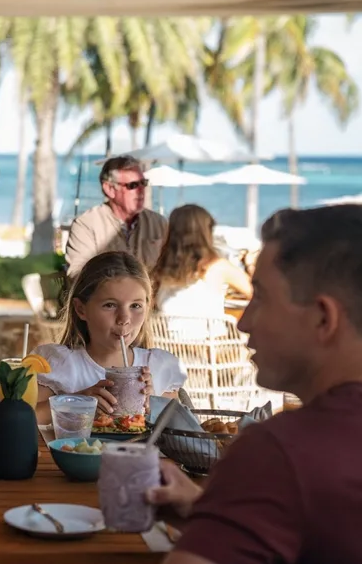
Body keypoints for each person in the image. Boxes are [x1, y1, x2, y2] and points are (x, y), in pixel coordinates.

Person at [148, 204, 362, 564]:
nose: (245, 322)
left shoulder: (276, 454)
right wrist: (217, 513)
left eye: (261, 297)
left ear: (322, 317)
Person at [32, 251, 187, 425]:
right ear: (81, 309)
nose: (124, 319)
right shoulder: (61, 365)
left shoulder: (157, 367)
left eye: (135, 305)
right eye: (110, 305)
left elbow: (177, 432)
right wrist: (77, 401)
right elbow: (24, 420)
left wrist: (153, 405)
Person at [65, 156, 168, 282]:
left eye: (143, 183)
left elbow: (172, 266)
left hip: (152, 300)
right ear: (110, 189)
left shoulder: (158, 223)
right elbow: (78, 275)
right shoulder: (86, 224)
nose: (142, 190)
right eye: (133, 185)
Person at [153, 204, 252, 321]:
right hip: (212, 338)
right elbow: (258, 293)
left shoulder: (161, 269)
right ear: (206, 233)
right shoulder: (218, 266)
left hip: (165, 339)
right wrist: (250, 264)